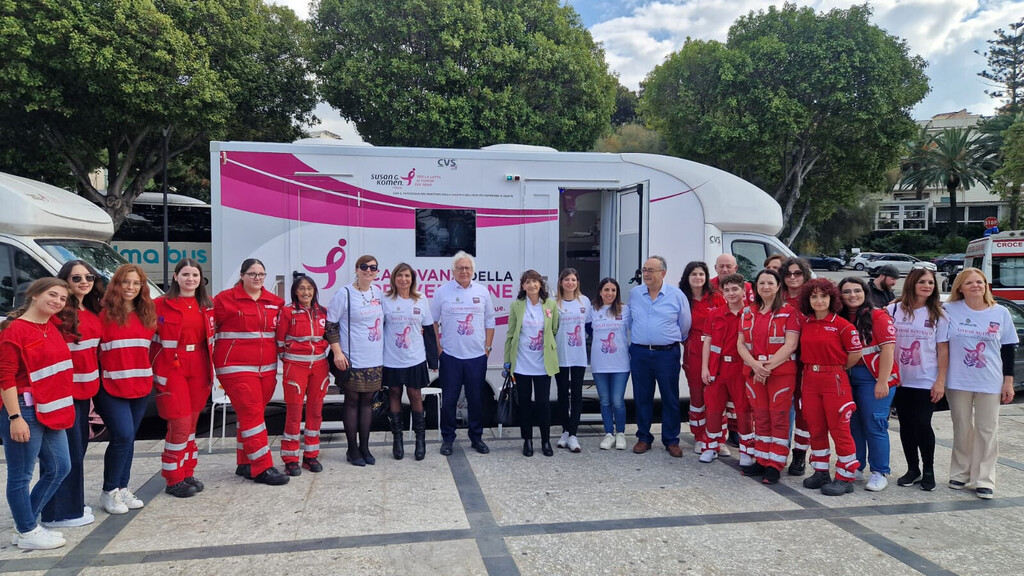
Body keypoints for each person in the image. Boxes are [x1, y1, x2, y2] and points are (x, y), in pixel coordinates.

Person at [0, 278, 74, 550]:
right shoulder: (14, 330)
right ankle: (27, 529)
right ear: (34, 294)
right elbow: (5, 377)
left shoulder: (50, 326)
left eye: (62, 298)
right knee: (21, 475)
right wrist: (15, 418)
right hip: (24, 410)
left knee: (60, 467)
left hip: (51, 408)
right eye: (52, 295)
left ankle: (26, 524)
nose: (57, 301)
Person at [942, 267, 1018, 499]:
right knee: (962, 427)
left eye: (980, 282)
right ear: (960, 288)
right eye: (970, 283)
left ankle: (984, 479)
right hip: (958, 380)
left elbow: (1008, 349)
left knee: (987, 429)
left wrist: (1008, 381)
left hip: (990, 380)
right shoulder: (949, 309)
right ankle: (960, 473)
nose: (976, 286)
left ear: (986, 286)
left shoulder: (1001, 312)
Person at [214, 259, 289, 485]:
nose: (257, 278)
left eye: (261, 274)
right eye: (252, 274)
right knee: (252, 413)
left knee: (251, 415)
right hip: (234, 367)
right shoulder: (223, 300)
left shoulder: (275, 302)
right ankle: (262, 467)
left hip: (266, 370)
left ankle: (246, 462)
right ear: (242, 275)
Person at [41, 261, 103, 528]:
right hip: (64, 393)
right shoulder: (57, 314)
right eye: (76, 278)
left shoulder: (91, 310)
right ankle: (59, 513)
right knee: (65, 455)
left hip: (84, 393)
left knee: (77, 451)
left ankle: (72, 506)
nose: (84, 282)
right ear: (65, 280)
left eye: (89, 276)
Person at [95, 264, 157, 513]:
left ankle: (122, 487)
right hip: (110, 386)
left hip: (140, 385)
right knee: (122, 435)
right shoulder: (103, 315)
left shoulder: (148, 314)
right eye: (126, 282)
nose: (131, 287)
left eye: (136, 283)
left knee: (129, 437)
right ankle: (109, 491)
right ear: (116, 284)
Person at [152, 259, 215, 497]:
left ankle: (187, 472)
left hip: (199, 366)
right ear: (175, 277)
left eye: (195, 275)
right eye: (186, 274)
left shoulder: (207, 305)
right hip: (173, 367)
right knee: (179, 423)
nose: (190, 279)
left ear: (201, 279)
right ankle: (173, 478)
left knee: (191, 425)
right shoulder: (159, 305)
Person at [797, 278, 863, 496]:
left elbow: (855, 354)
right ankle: (821, 471)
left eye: (823, 296)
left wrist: (835, 368)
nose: (819, 300)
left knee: (839, 429)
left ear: (832, 298)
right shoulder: (805, 323)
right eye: (814, 296)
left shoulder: (843, 326)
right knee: (815, 428)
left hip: (834, 380)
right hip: (810, 379)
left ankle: (845, 476)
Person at [736, 269, 800, 484]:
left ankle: (775, 464)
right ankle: (762, 459)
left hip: (780, 374)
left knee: (779, 418)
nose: (765, 287)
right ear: (756, 286)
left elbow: (790, 344)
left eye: (770, 283)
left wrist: (766, 368)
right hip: (754, 372)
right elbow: (740, 344)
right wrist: (756, 366)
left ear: (778, 286)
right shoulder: (747, 312)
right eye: (761, 283)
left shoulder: (789, 312)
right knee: (761, 417)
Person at [430, 251, 495, 456]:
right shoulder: (442, 292)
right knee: (449, 400)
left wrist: (487, 348)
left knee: (476, 400)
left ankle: (476, 438)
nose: (464, 271)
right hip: (450, 356)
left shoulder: (482, 292)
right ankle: (448, 438)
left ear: (473, 270)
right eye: (460, 268)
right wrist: (439, 349)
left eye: (467, 268)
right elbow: (433, 321)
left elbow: (490, 321)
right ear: (453, 271)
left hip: (477, 357)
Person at [838, 277, 900, 492]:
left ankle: (879, 471)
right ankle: (856, 465)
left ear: (865, 292)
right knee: (853, 423)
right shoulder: (839, 316)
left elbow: (888, 349)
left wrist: (882, 381)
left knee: (875, 424)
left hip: (874, 377)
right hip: (848, 376)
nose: (852, 295)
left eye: (857, 290)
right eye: (847, 291)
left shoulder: (878, 316)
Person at [889, 266, 948, 491]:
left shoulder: (939, 315)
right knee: (905, 425)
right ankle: (912, 469)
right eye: (922, 281)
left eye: (931, 282)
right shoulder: (893, 310)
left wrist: (940, 380)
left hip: (926, 379)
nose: (927, 286)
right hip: (900, 379)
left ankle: (928, 470)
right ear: (912, 284)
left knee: (922, 423)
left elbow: (943, 350)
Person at [326, 254, 386, 466]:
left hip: (374, 358)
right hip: (351, 358)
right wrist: (337, 353)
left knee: (368, 403)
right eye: (364, 266)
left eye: (373, 267)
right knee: (352, 402)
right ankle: (352, 449)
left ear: (377, 272)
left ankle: (365, 447)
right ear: (356, 269)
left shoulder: (378, 292)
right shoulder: (344, 294)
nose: (368, 270)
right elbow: (330, 325)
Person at [629, 255, 691, 457]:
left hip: (666, 354)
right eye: (644, 270)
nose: (646, 274)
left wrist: (667, 339)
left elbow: (685, 325)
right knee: (642, 397)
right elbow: (630, 322)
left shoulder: (676, 295)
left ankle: (671, 440)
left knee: (670, 397)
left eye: (650, 270)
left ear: (663, 273)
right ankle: (643, 437)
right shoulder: (635, 294)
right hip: (640, 353)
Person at [382, 263, 437, 461]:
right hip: (392, 358)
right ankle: (397, 440)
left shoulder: (421, 298)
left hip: (415, 358)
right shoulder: (385, 299)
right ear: (393, 278)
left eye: (407, 276)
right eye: (399, 276)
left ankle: (420, 441)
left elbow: (429, 330)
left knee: (415, 395)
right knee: (394, 394)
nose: (403, 279)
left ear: (412, 278)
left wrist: (433, 360)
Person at [276, 274, 329, 475]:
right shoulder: (287, 311)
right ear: (295, 292)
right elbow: (280, 342)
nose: (306, 292)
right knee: (294, 411)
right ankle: (290, 458)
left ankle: (311, 455)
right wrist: (291, 360)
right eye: (302, 288)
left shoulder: (323, 312)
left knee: (316, 410)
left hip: (320, 366)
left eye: (309, 288)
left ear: (314, 291)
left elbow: (329, 336)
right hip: (295, 366)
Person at [504, 270, 560, 457]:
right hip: (522, 363)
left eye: (535, 281)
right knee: (525, 403)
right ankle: (527, 440)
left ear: (540, 284)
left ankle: (545, 441)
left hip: (543, 363)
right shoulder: (516, 305)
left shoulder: (550, 304)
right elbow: (511, 334)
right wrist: (507, 361)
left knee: (543, 403)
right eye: (528, 282)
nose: (532, 285)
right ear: (523, 286)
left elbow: (554, 328)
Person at [700, 273, 754, 465]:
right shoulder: (715, 314)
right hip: (718, 368)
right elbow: (707, 342)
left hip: (741, 369)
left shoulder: (751, 314)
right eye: (727, 290)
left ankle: (746, 452)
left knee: (743, 410)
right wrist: (704, 368)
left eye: (735, 289)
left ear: (743, 290)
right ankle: (711, 447)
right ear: (722, 292)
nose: (731, 293)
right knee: (714, 409)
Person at [679, 261, 725, 455]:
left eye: (701, 274)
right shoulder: (682, 298)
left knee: (716, 394)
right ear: (687, 277)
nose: (698, 278)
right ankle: (699, 436)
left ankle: (718, 438)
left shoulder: (716, 297)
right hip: (694, 350)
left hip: (715, 348)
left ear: (706, 277)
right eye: (694, 274)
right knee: (697, 393)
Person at [589, 278, 631, 450]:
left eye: (613, 290)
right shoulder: (592, 310)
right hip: (599, 363)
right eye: (606, 290)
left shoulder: (625, 310)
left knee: (617, 401)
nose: (610, 293)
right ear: (600, 292)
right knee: (605, 401)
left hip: (621, 363)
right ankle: (608, 434)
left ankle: (620, 433)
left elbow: (634, 329)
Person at [781, 256, 813, 475]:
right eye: (788, 274)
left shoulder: (811, 298)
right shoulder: (777, 297)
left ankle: (800, 454)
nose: (793, 277)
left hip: (806, 361)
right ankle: (778, 452)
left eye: (797, 273)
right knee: (781, 408)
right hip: (781, 361)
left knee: (803, 410)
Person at [554, 268, 589, 453]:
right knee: (562, 395)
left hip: (578, 356)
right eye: (567, 279)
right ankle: (565, 431)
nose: (570, 283)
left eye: (573, 279)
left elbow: (589, 327)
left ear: (577, 282)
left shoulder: (584, 301)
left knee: (576, 395)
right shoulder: (554, 303)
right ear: (561, 282)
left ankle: (573, 434)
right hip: (560, 355)